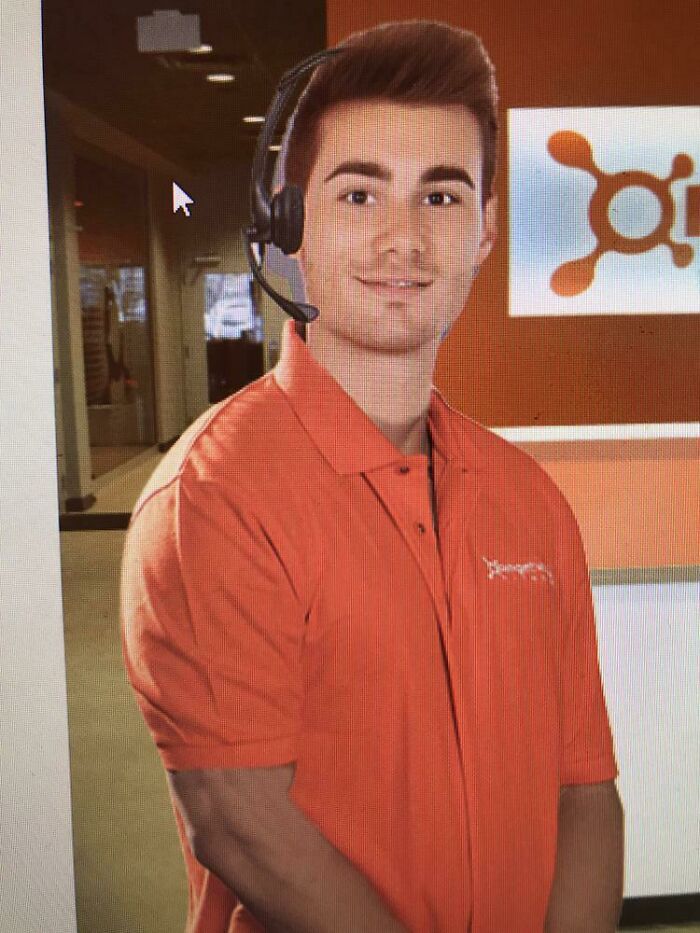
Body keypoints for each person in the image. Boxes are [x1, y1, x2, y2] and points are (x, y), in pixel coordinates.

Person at [121, 20, 623, 933]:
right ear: (289, 221)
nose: (404, 240)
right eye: (359, 195)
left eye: (441, 197)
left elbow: (585, 790)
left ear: (485, 231)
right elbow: (238, 817)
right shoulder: (214, 497)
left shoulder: (530, 500)